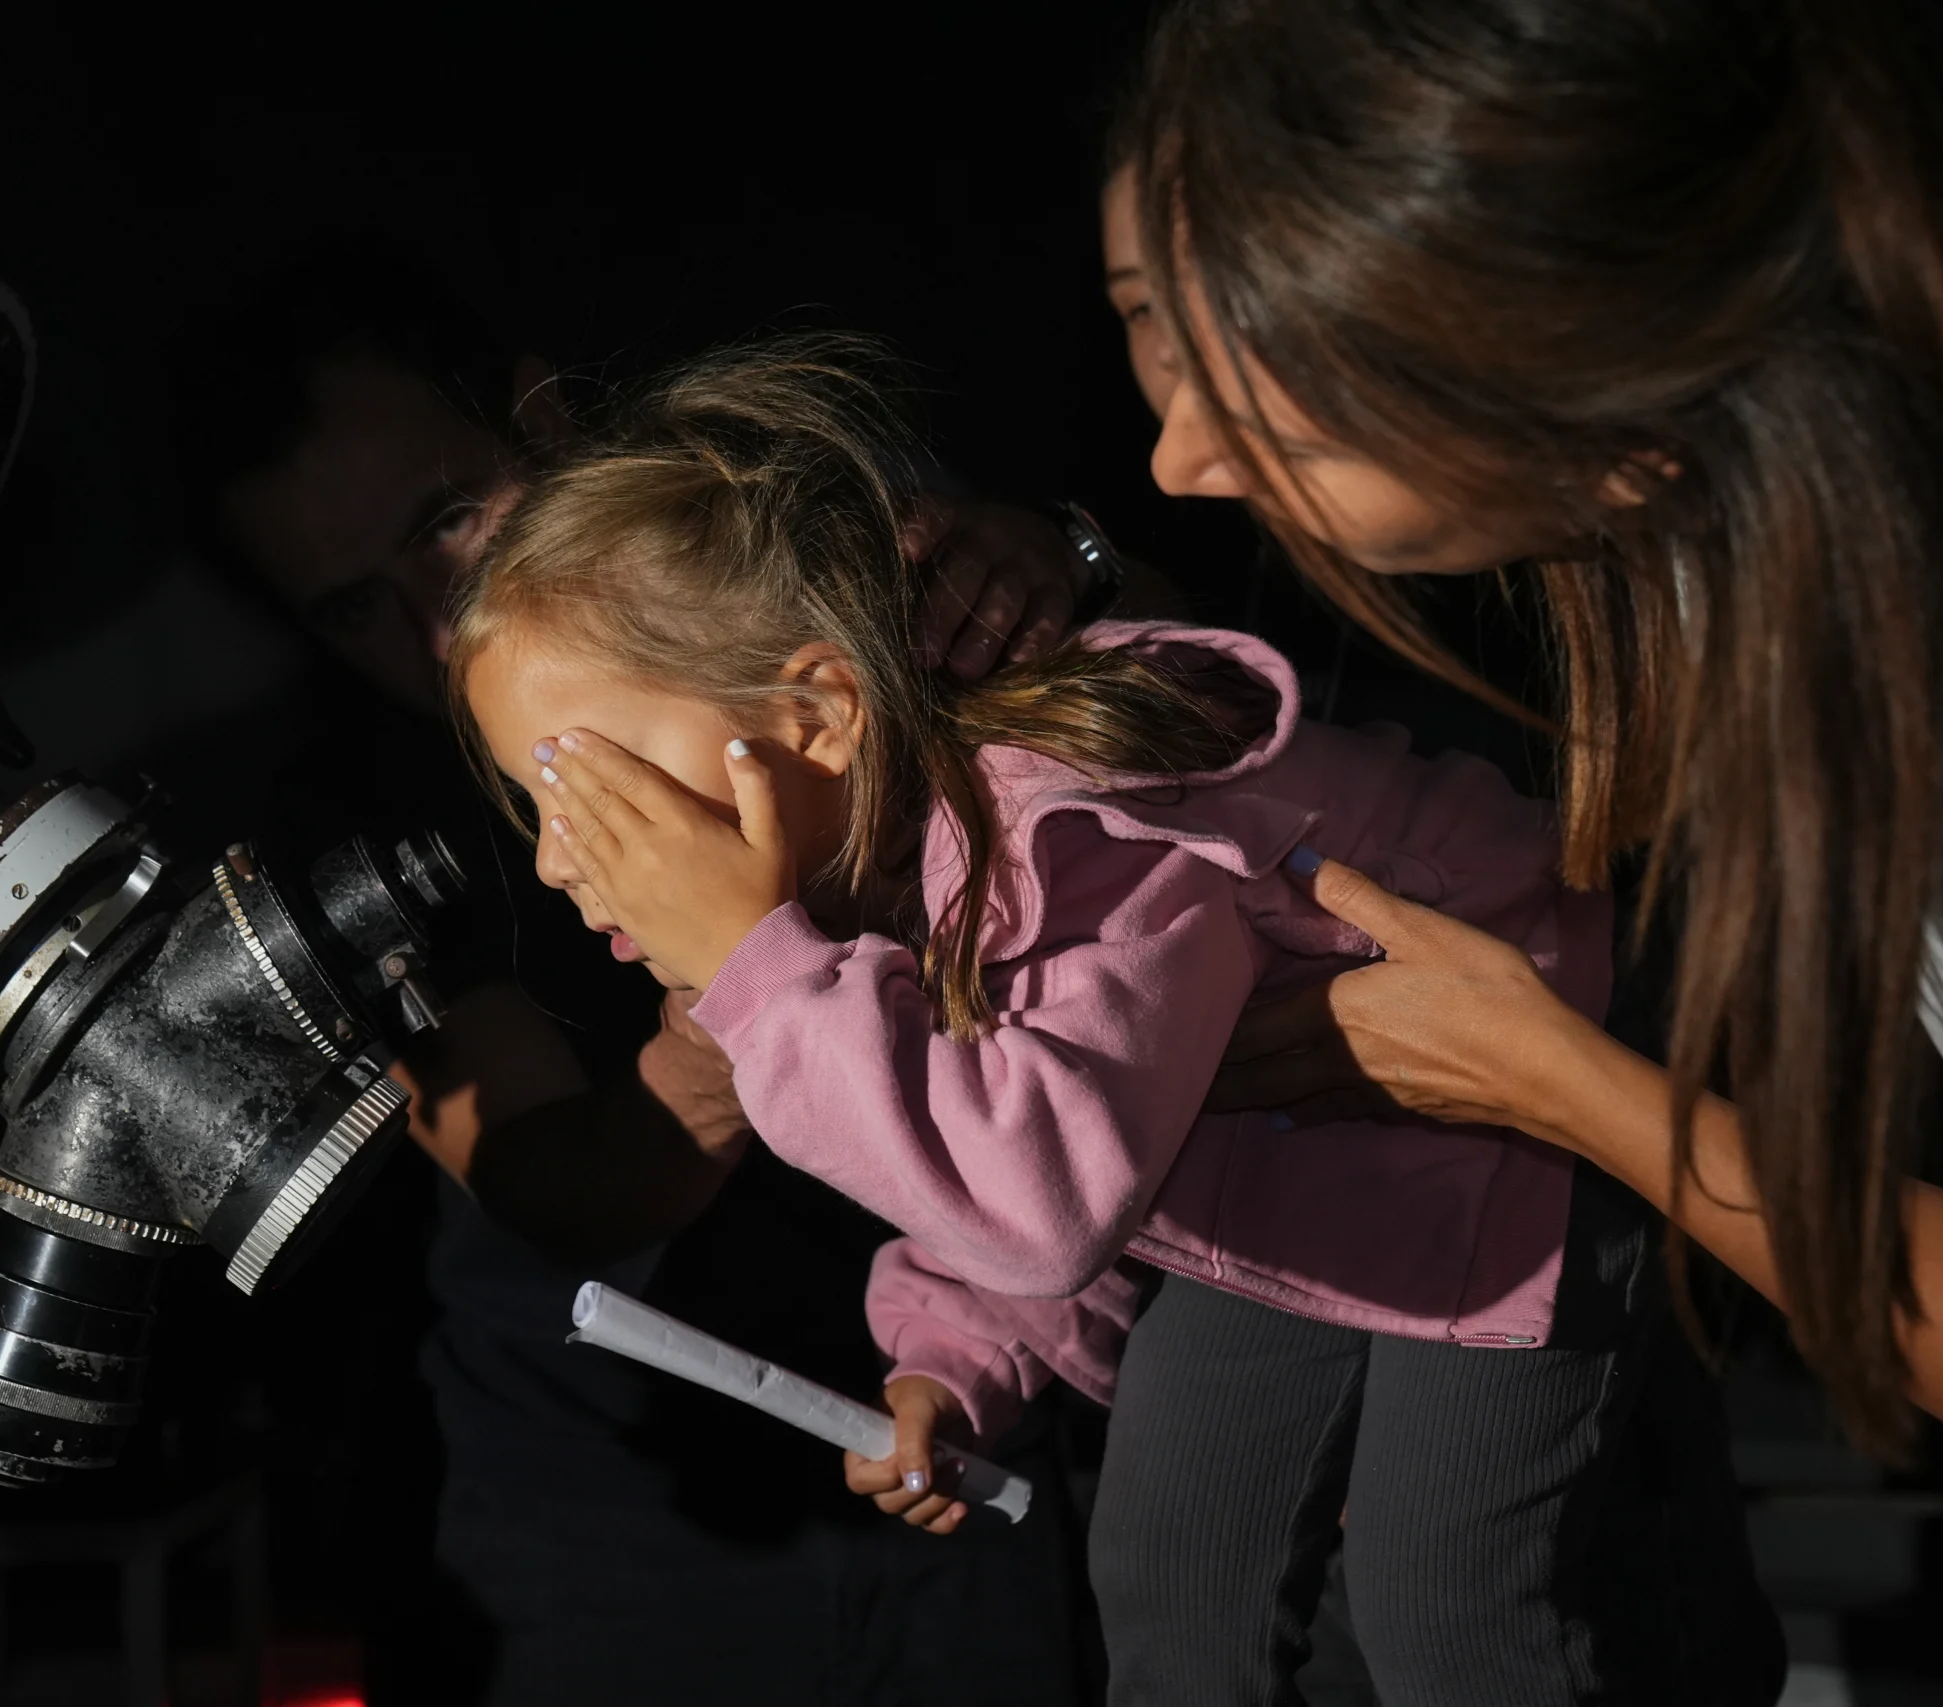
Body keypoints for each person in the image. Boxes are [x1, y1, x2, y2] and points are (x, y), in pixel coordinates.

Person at [451, 332, 1773, 1704]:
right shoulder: (886, 858)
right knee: (1172, 1575)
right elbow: (1028, 1102)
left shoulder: (1075, 827)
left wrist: (756, 968)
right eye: (535, 807)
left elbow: (1042, 1191)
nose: (559, 859)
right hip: (1298, 1167)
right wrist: (959, 1356)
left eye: (591, 786)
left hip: (1518, 1113)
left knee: (1448, 1603)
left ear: (820, 715)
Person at [162, 244, 1113, 1704]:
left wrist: (1057, 569)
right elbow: (548, 1184)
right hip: (629, 1506)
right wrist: (737, 991)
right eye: (352, 608)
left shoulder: (787, 556)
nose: (437, 630)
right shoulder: (364, 827)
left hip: (988, 1409)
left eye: (450, 524)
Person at [1105, 0, 1943, 1452]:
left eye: (1297, 434)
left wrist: (1547, 1078)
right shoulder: (1724, 541)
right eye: (1149, 319)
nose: (1178, 460)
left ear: (1619, 436)